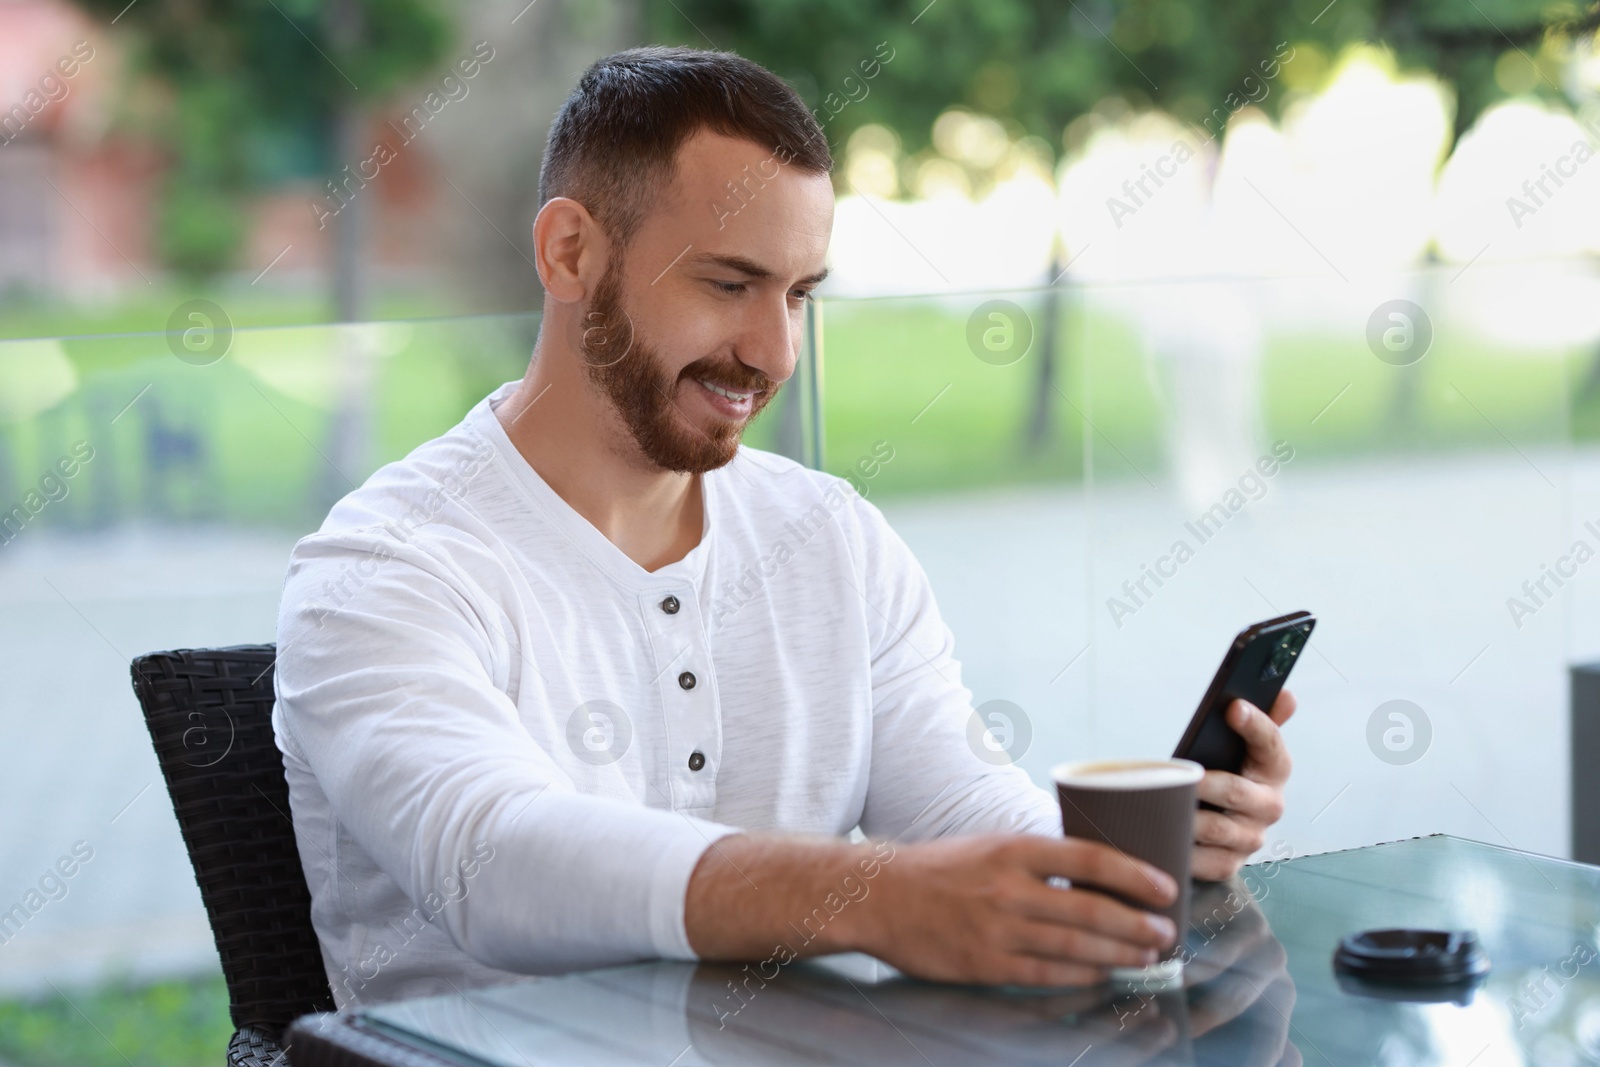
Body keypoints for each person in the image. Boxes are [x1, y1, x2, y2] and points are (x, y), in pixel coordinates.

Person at [273, 45, 1296, 1008]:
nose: (773, 352)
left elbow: (958, 812)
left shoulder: (830, 539)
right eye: (728, 284)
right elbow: (492, 860)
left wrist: (1128, 858)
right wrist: (876, 898)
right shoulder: (384, 567)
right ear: (570, 251)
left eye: (800, 294)